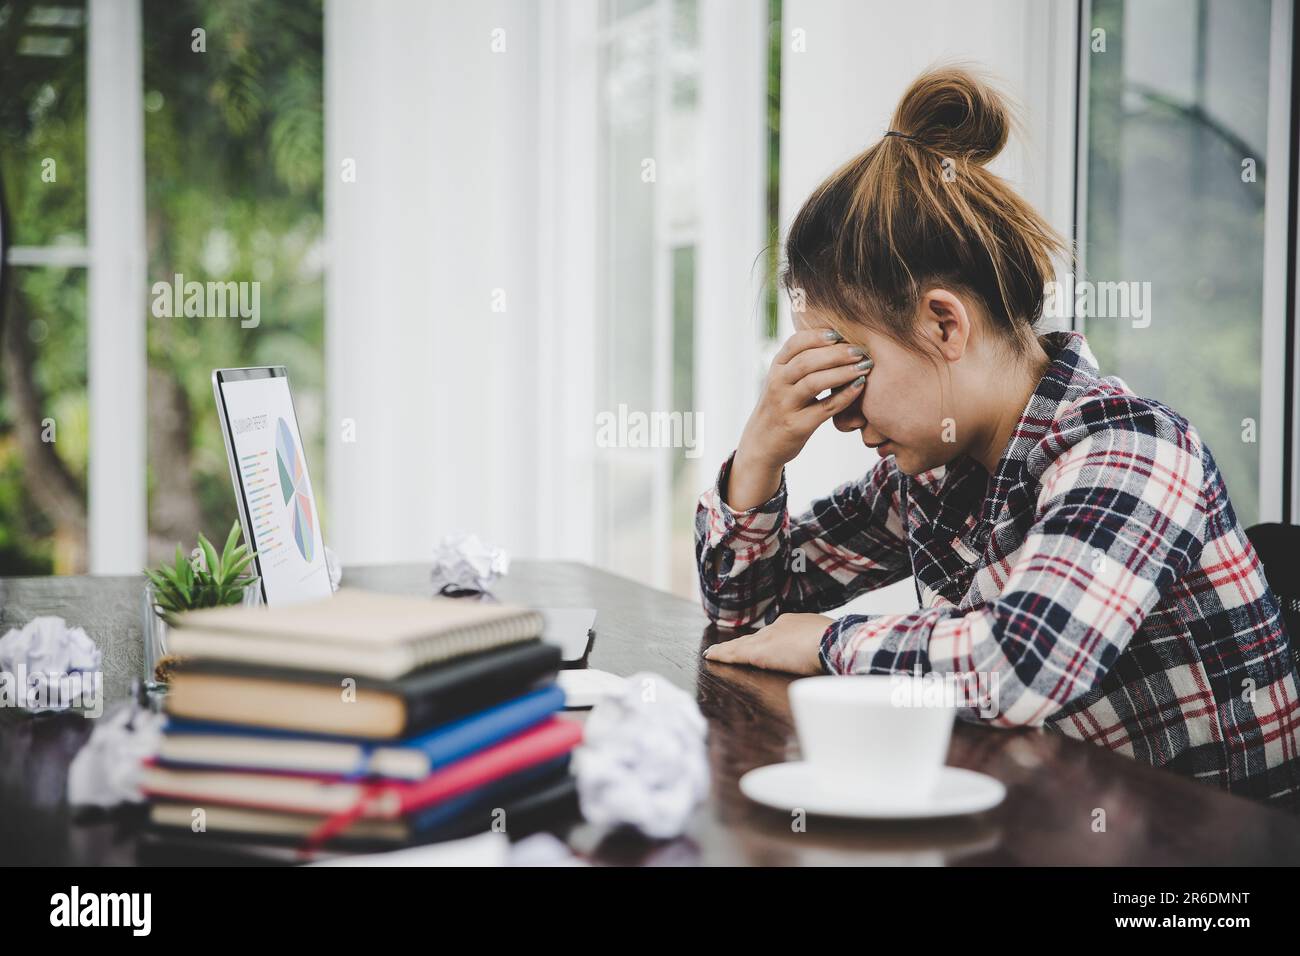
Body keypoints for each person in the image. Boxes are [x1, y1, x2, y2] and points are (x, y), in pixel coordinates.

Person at [694, 66, 1300, 809]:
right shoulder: (938, 467)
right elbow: (748, 623)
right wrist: (761, 452)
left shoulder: (1132, 451)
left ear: (945, 323)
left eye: (852, 365)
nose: (842, 415)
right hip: (1055, 823)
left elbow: (1017, 667)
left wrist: (830, 642)